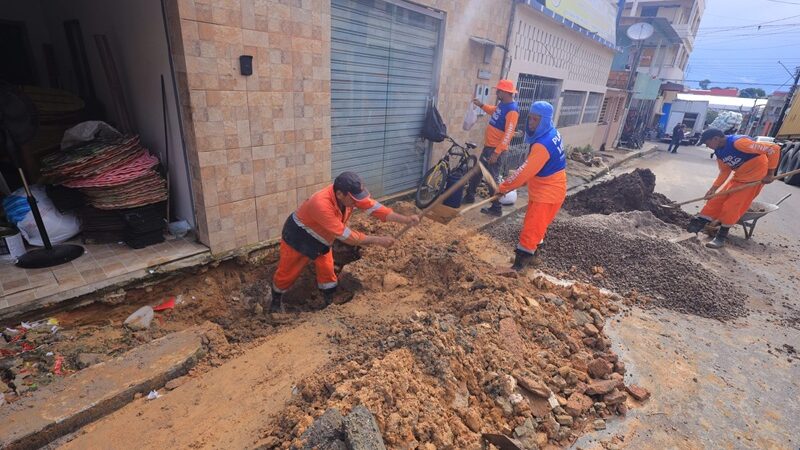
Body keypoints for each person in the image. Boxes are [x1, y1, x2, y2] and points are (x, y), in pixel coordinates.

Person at [270, 172, 419, 311]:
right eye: (354, 200)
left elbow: (373, 207)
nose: (357, 203)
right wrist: (378, 240)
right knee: (288, 272)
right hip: (298, 236)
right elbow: (346, 235)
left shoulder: (350, 197)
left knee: (327, 271)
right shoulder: (320, 204)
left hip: (323, 239)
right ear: (340, 194)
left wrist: (405, 219)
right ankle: (275, 302)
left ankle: (328, 303)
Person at [494, 101, 567, 271]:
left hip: (548, 193)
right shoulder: (553, 132)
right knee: (537, 225)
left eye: (536, 120)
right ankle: (533, 258)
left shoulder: (543, 144)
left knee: (532, 228)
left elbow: (525, 171)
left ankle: (518, 267)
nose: (531, 123)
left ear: (545, 120)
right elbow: (533, 169)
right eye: (530, 119)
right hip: (549, 189)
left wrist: (503, 187)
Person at [687, 129, 781, 248]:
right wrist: (713, 189)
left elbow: (774, 148)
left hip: (754, 180)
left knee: (731, 207)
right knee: (714, 202)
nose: (707, 146)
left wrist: (770, 174)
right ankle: (693, 229)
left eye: (707, 143)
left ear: (715, 139)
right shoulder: (719, 151)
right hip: (738, 178)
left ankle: (721, 237)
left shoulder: (739, 143)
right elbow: (725, 171)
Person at [465, 79, 520, 217]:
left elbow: (508, 135)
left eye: (499, 90)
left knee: (491, 180)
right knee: (477, 172)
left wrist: (496, 153)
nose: (496, 92)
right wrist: (482, 105)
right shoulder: (502, 105)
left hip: (495, 151)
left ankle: (496, 208)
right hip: (489, 148)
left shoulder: (513, 110)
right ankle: (469, 196)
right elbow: (494, 111)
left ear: (506, 92)